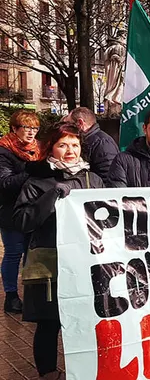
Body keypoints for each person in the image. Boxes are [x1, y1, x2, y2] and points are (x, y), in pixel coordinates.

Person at [14, 123, 104, 380]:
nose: (70, 151)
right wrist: (51, 196)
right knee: (48, 322)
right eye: (63, 145)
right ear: (50, 148)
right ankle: (49, 373)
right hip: (48, 261)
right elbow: (22, 221)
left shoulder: (92, 179)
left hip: (86, 262)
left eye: (75, 145)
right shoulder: (37, 181)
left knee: (88, 318)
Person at [0, 110, 40, 313]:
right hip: (11, 212)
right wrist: (30, 171)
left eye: (35, 128)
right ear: (14, 129)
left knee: (31, 254)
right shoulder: (3, 151)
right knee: (13, 253)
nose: (31, 132)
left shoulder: (38, 149)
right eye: (26, 128)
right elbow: (5, 183)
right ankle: (11, 296)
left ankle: (31, 295)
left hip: (34, 211)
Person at [62, 106, 119, 180]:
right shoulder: (92, 140)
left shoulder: (102, 143)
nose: (66, 128)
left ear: (80, 123)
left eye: (68, 124)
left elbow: (109, 177)